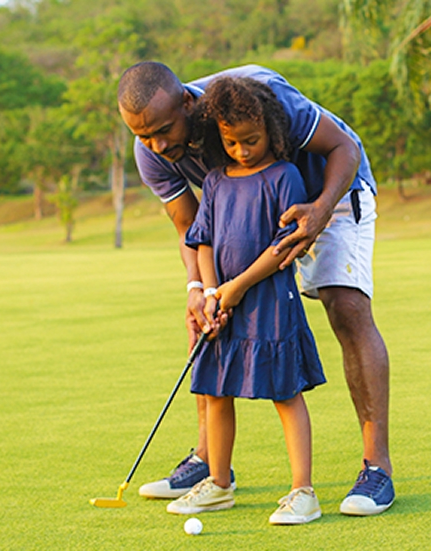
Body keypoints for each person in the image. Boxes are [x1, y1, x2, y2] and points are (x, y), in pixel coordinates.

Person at [118, 61, 395, 516]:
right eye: (144, 136)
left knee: (345, 307)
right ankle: (211, 465)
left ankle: (376, 468)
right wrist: (199, 289)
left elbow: (343, 146)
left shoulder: (260, 97)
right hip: (250, 212)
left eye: (164, 130)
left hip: (329, 190)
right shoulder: (150, 150)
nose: (157, 145)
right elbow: (191, 224)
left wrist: (320, 210)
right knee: (210, 325)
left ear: (189, 103)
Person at [164, 77, 325, 525]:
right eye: (231, 142)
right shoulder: (215, 182)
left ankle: (303, 491)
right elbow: (203, 241)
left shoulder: (284, 176)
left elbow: (282, 248)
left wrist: (235, 288)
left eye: (251, 140)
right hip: (225, 308)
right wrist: (213, 292)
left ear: (272, 131)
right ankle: (218, 484)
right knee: (215, 392)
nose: (241, 151)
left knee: (285, 394)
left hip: (270, 302)